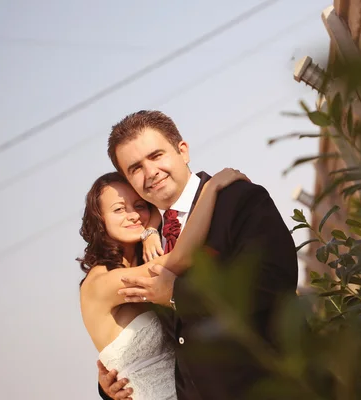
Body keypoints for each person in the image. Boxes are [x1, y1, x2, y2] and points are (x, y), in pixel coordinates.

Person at [97, 110, 299, 400]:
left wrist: (179, 293)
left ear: (183, 151)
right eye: (135, 168)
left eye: (156, 156)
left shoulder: (237, 199)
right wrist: (112, 383)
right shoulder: (144, 250)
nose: (150, 172)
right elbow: (163, 341)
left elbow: (274, 280)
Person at [80, 168, 248, 399]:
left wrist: (150, 231)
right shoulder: (100, 281)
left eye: (139, 205)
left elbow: (157, 216)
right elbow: (182, 257)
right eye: (119, 209)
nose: (133, 215)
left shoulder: (146, 261)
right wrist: (210, 189)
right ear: (99, 220)